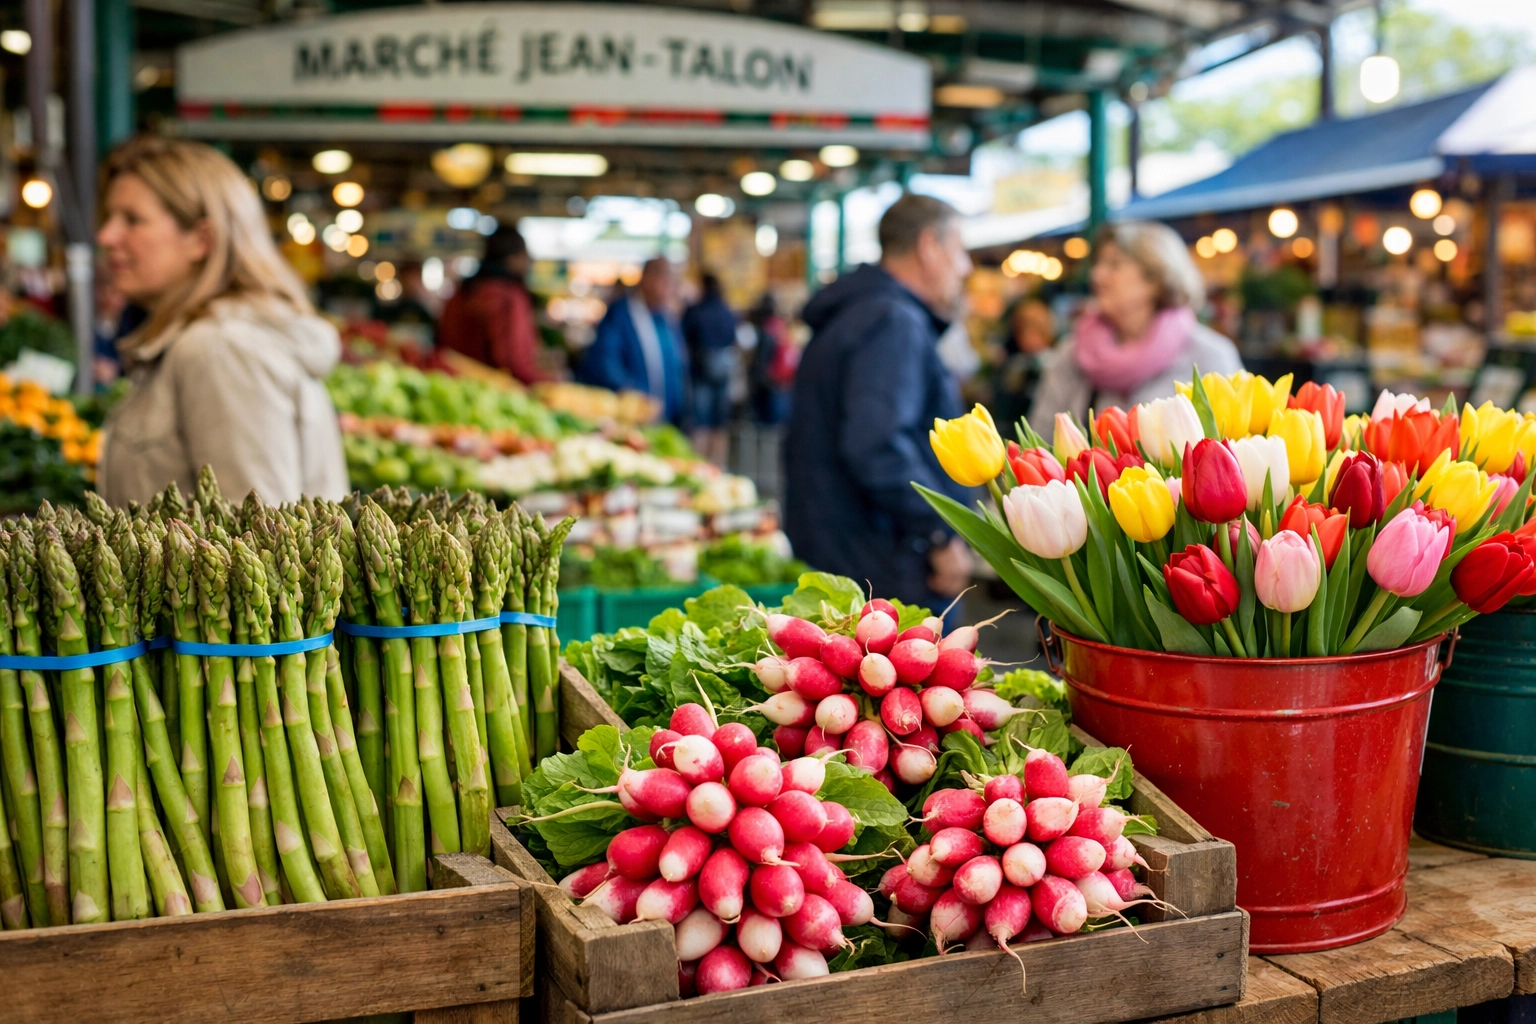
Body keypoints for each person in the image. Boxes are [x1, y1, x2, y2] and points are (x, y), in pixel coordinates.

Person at [95, 136, 347, 507]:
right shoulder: (200, 342)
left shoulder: (218, 350)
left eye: (132, 220)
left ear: (201, 239)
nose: (107, 236)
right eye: (109, 217)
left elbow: (259, 535)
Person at [783, 193, 976, 613]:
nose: (966, 267)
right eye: (959, 249)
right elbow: (876, 443)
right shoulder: (892, 322)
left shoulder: (861, 312)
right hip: (886, 560)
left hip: (850, 544)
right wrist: (937, 535)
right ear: (929, 246)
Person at [1029, 221, 1241, 431]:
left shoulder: (1210, 357)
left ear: (1156, 280)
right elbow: (1042, 439)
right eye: (1098, 264)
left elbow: (1232, 443)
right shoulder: (1072, 354)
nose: (1096, 276)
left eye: (1114, 265)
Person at [577, 257, 687, 424]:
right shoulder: (621, 313)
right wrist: (627, 390)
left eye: (672, 280)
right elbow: (605, 359)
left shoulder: (667, 318)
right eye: (664, 278)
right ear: (646, 278)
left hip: (667, 417)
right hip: (631, 418)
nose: (670, 286)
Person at [437, 226, 549, 383]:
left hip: (455, 384)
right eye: (525, 256)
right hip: (497, 392)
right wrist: (547, 383)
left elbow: (444, 343)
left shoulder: (461, 292)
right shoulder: (509, 297)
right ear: (513, 257)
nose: (529, 263)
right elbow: (514, 360)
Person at [681, 273, 738, 464]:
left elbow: (685, 335)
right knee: (719, 425)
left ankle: (699, 468)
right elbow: (733, 337)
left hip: (700, 372)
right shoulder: (726, 311)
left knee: (700, 423)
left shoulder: (696, 311)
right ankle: (717, 467)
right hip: (723, 371)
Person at [991, 298, 1055, 433]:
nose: (1030, 339)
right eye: (1025, 333)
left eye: (1036, 333)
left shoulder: (1053, 364)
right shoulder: (1014, 364)